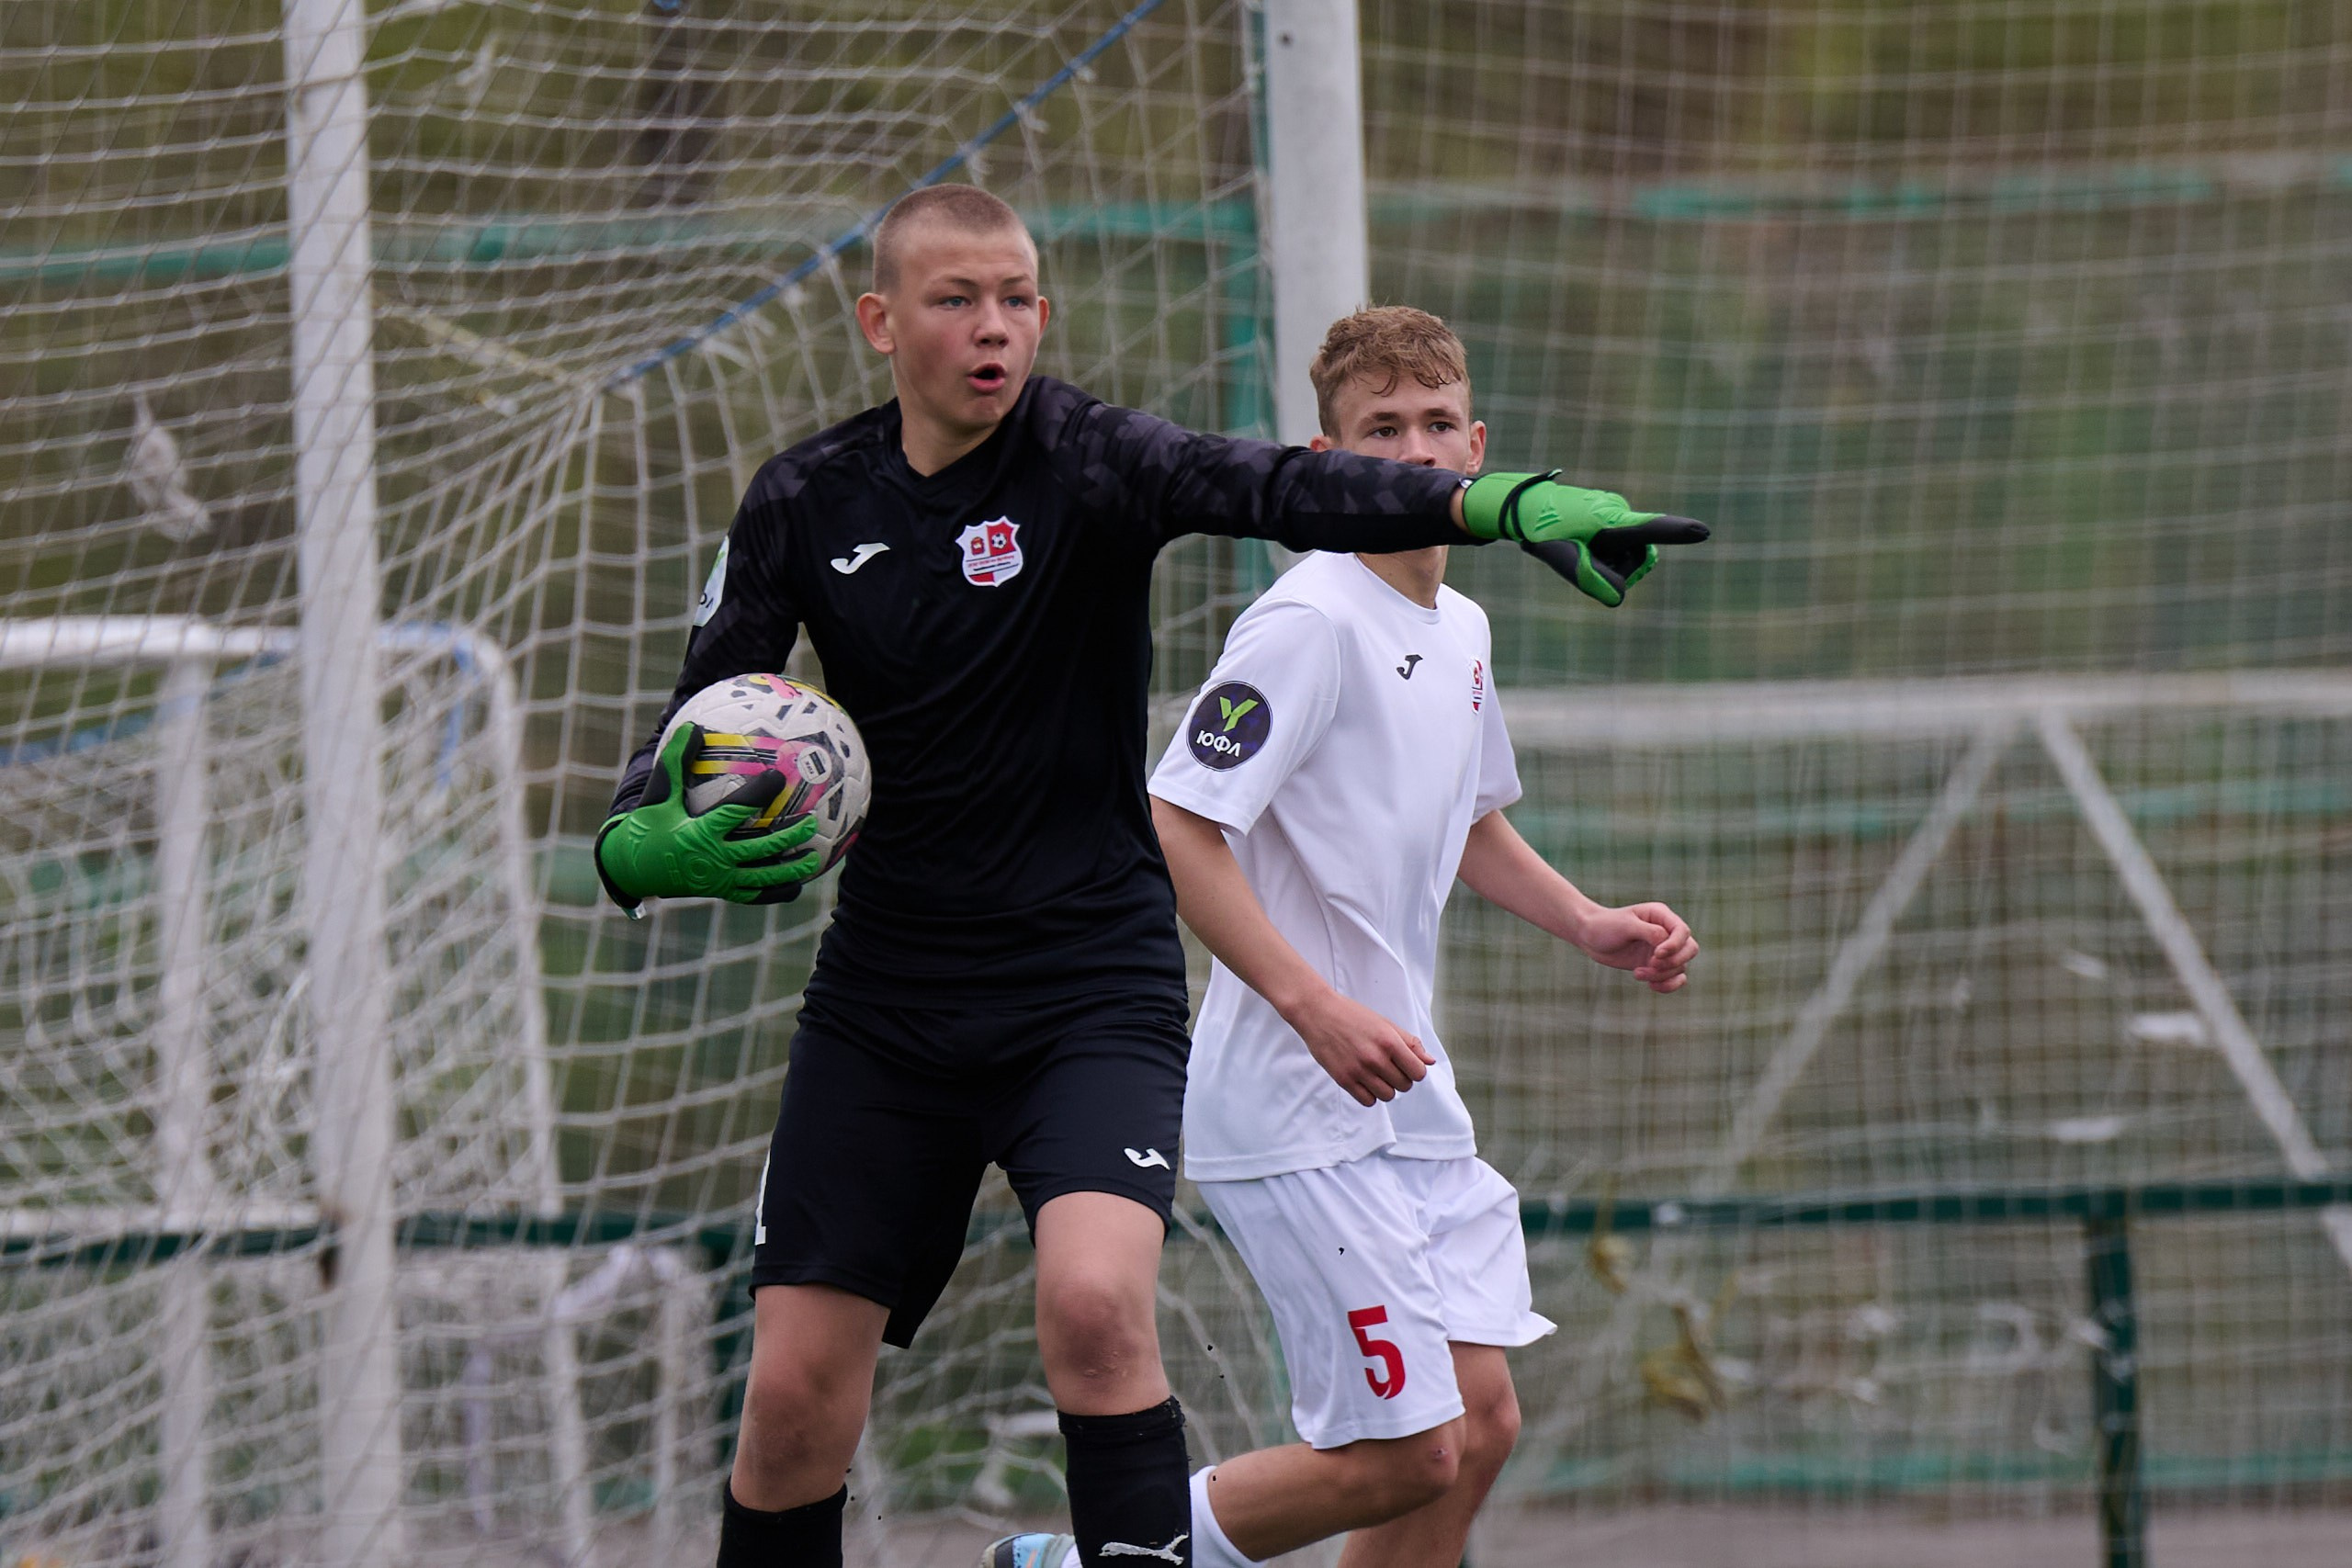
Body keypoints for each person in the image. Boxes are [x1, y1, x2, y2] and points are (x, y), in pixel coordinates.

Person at [591, 186, 1706, 1568]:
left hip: (1089, 989)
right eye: (956, 300)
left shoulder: (1088, 459)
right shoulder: (806, 501)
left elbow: (1280, 487)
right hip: (885, 1000)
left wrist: (1496, 503)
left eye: (1016, 298)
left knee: (1101, 1312)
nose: (993, 326)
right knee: (792, 1404)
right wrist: (640, 848)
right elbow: (690, 733)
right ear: (883, 323)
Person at [1139, 307, 1697, 1568]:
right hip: (1295, 1104)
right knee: (1405, 1454)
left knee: (1479, 1427)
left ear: (1478, 446)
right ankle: (1093, 1558)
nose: (1412, 451)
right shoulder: (1308, 621)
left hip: (1407, 1098)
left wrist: (1587, 920)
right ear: (1326, 454)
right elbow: (1177, 820)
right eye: (1379, 430)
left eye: (1436, 425)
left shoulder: (1464, 631)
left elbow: (1472, 819)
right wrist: (1312, 1006)